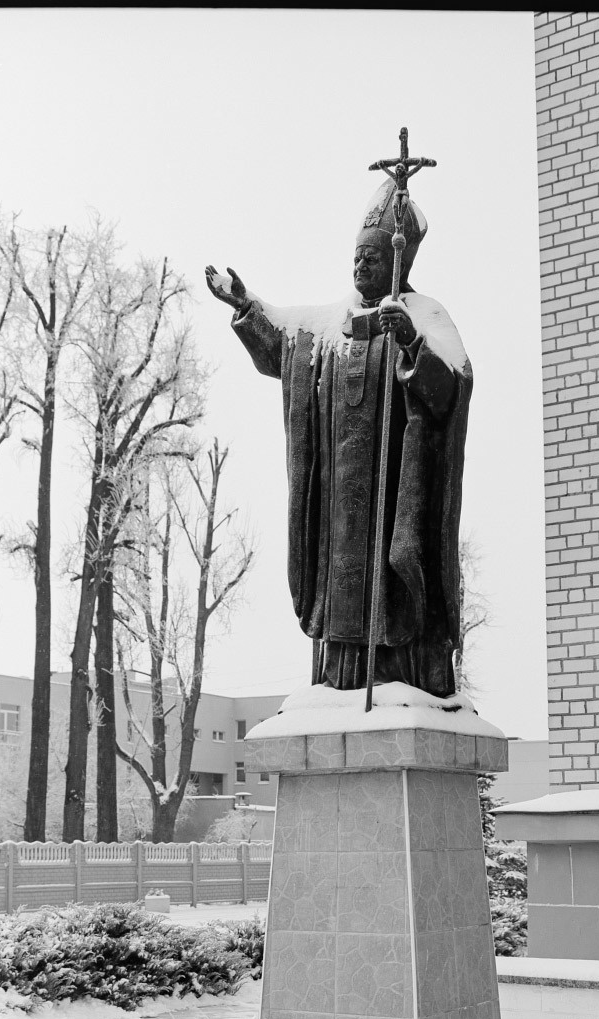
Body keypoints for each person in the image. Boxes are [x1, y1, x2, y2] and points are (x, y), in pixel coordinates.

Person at [206, 179, 472, 698]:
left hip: (393, 497)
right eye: (356, 256)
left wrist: (411, 342)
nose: (360, 266)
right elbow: (284, 346)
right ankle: (341, 681)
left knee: (393, 585)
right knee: (340, 591)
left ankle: (400, 676)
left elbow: (450, 390)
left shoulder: (425, 315)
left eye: (371, 257)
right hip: (337, 515)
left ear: (398, 262)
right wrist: (245, 307)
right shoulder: (327, 324)